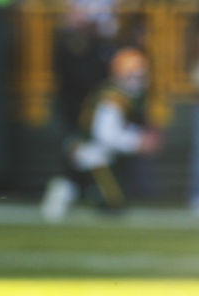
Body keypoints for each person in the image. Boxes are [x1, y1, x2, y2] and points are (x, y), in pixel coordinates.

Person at [42, 47, 161, 221]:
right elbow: (106, 136)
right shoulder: (112, 97)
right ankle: (70, 188)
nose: (140, 81)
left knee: (118, 199)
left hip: (101, 154)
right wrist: (138, 142)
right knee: (114, 203)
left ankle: (76, 187)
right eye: (135, 75)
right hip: (90, 153)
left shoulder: (123, 95)